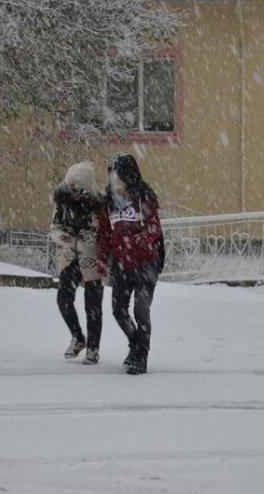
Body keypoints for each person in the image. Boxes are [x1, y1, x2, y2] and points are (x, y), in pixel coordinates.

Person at [97, 153, 164, 375]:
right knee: (118, 310)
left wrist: (138, 239)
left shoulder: (143, 198)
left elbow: (155, 228)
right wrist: (101, 260)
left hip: (146, 263)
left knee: (141, 309)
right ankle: (135, 343)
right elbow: (104, 235)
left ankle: (141, 356)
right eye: (112, 179)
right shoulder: (108, 204)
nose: (115, 184)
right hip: (122, 265)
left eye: (119, 179)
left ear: (129, 177)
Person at [51, 162, 104, 364]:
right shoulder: (61, 202)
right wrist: (61, 236)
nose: (75, 192)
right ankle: (77, 337)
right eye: (71, 187)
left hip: (93, 259)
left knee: (93, 305)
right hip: (70, 256)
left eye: (79, 188)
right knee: (63, 298)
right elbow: (55, 226)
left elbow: (102, 234)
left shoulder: (99, 206)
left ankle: (93, 347)